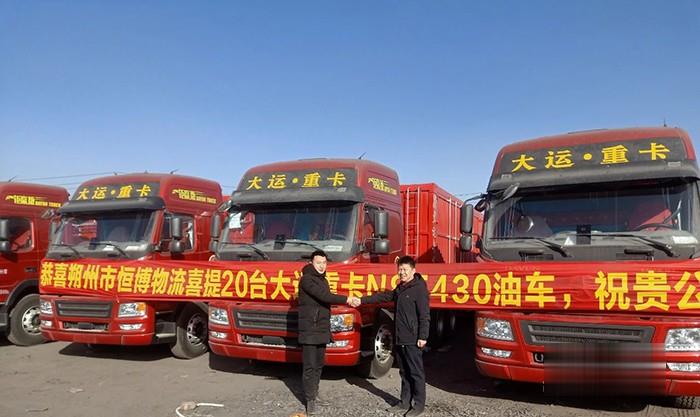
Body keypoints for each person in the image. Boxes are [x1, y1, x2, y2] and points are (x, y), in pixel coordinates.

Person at [353, 256, 430, 416]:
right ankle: (404, 402)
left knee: (415, 372)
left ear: (413, 271)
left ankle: (418, 405)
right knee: (404, 372)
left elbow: (424, 315)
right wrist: (361, 300)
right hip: (400, 336)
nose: (402, 273)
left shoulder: (419, 289)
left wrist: (423, 336)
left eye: (405, 270)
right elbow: (384, 297)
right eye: (400, 270)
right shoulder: (401, 288)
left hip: (413, 338)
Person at [298, 249, 359, 415]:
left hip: (322, 327)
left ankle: (314, 393)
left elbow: (326, 296)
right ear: (311, 263)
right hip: (310, 329)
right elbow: (325, 296)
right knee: (310, 366)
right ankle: (310, 399)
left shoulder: (323, 280)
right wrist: (347, 299)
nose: (322, 266)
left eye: (324, 263)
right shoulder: (307, 279)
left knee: (319, 364)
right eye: (318, 263)